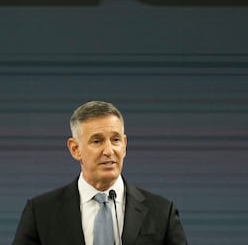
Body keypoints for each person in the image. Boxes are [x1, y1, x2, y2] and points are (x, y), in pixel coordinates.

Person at [12, 101, 188, 245]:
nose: (109, 151)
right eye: (97, 141)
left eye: (116, 140)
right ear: (75, 149)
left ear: (125, 145)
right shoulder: (41, 212)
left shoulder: (162, 212)